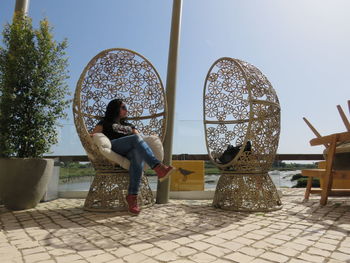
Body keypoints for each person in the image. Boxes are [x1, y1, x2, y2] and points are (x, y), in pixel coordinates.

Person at [90, 98, 175, 215]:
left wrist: (152, 137)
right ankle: (158, 167)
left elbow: (141, 139)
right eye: (123, 107)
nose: (126, 110)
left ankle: (132, 197)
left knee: (137, 153)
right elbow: (95, 135)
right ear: (115, 109)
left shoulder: (129, 125)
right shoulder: (105, 122)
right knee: (135, 139)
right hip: (115, 147)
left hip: (130, 150)